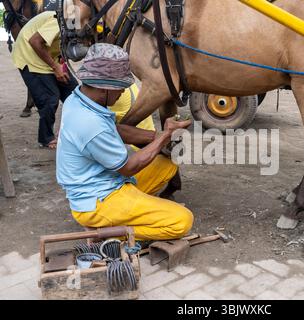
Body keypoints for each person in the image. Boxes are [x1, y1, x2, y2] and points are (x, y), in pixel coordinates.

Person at [56, 43, 193, 240]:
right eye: (120, 88)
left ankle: (130, 211)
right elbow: (129, 167)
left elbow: (116, 130)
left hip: (108, 182)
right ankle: (104, 232)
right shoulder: (90, 124)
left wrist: (158, 136)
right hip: (97, 201)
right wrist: (164, 137)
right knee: (181, 221)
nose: (123, 93)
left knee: (168, 160)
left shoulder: (79, 98)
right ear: (104, 88)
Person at [11, 11, 78, 149]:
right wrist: (55, 67)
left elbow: (62, 44)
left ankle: (73, 130)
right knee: (50, 98)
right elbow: (35, 41)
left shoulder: (77, 22)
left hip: (49, 57)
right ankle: (46, 138)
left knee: (75, 93)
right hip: (30, 56)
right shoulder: (60, 20)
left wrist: (60, 63)